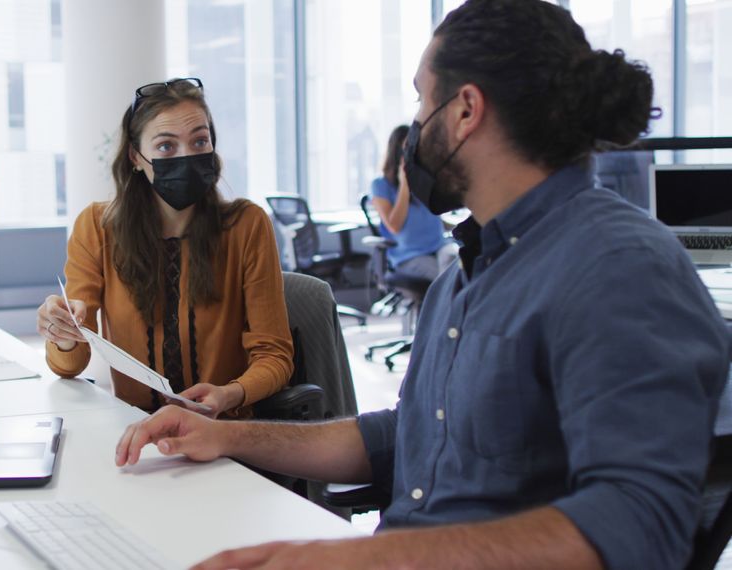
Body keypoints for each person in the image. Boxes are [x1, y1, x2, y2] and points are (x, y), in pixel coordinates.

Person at [114, 1, 730, 568]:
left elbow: (639, 528)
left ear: (464, 111)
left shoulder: (617, 266)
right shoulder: (465, 275)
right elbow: (407, 433)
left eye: (420, 102)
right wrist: (227, 435)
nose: (413, 127)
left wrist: (355, 560)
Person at [37, 78, 294, 419]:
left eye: (200, 141)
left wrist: (230, 395)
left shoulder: (246, 225)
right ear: (135, 157)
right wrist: (65, 333)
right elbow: (69, 366)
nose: (187, 155)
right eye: (166, 147)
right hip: (138, 431)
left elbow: (275, 356)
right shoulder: (98, 227)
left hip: (224, 433)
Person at [370, 124, 454, 281]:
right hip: (410, 256)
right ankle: (445, 305)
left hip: (440, 246)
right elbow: (394, 226)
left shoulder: (423, 181)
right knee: (443, 281)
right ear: (397, 153)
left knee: (458, 266)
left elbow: (432, 216)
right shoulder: (380, 185)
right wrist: (404, 184)